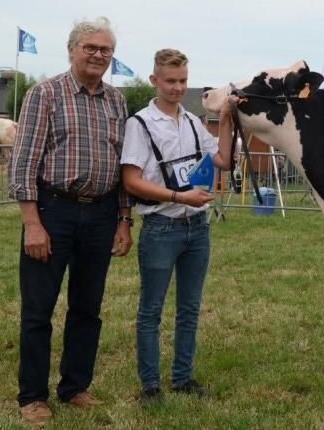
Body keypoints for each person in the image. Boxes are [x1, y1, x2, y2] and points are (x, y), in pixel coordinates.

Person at [8, 17, 133, 425]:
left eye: (106, 50)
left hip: (100, 213)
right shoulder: (45, 94)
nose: (99, 55)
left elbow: (121, 166)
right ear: (72, 49)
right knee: (38, 309)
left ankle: (75, 386)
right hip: (53, 211)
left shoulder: (116, 101)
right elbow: (24, 162)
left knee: (87, 307)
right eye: (91, 48)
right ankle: (32, 395)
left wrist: (123, 219)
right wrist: (32, 223)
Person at [120, 49, 234, 402]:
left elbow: (223, 160)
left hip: (196, 227)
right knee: (150, 309)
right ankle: (150, 385)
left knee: (189, 308)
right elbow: (131, 180)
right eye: (170, 81)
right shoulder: (140, 124)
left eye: (183, 80)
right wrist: (177, 196)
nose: (177, 87)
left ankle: (182, 378)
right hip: (160, 228)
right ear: (154, 80)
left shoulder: (192, 121)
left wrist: (227, 118)